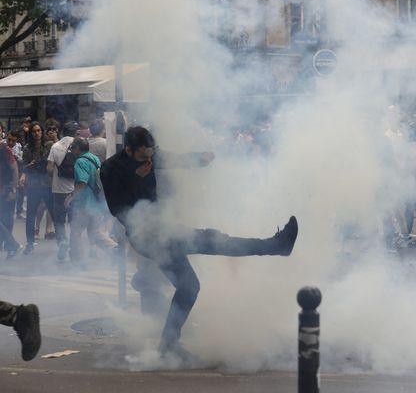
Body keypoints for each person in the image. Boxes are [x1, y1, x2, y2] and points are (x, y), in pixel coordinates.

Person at [100, 126, 298, 356]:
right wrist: (137, 179)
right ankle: (275, 246)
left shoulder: (150, 155)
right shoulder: (111, 169)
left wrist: (200, 159)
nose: (150, 158)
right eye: (144, 155)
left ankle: (168, 346)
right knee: (213, 241)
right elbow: (119, 210)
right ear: (129, 149)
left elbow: (176, 159)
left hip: (164, 229)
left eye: (152, 153)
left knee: (189, 286)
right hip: (146, 238)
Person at [65, 138, 117, 263]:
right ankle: (115, 250)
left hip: (84, 204)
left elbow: (81, 183)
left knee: (76, 233)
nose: (71, 150)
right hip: (97, 203)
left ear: (78, 148)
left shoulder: (80, 162)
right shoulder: (95, 159)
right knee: (95, 233)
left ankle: (76, 261)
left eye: (72, 147)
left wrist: (71, 197)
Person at [46, 121, 79, 261]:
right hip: (75, 191)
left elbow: (49, 168)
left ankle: (62, 243)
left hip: (58, 190)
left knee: (59, 221)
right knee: (74, 221)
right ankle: (73, 248)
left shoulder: (55, 146)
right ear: (75, 133)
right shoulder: (79, 146)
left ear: (63, 132)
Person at [21, 122, 54, 254]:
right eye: (34, 131)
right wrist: (30, 166)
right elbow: (23, 167)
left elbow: (59, 153)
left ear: (42, 131)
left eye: (38, 130)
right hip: (34, 185)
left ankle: (62, 242)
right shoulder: (27, 148)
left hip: (47, 184)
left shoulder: (49, 145)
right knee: (30, 215)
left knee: (53, 213)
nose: (36, 133)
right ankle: (29, 243)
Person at [0, 140, 21, 258]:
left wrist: (13, 189)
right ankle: (11, 245)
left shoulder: (5, 150)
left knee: (6, 219)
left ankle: (11, 245)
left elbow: (15, 168)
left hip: (4, 190)